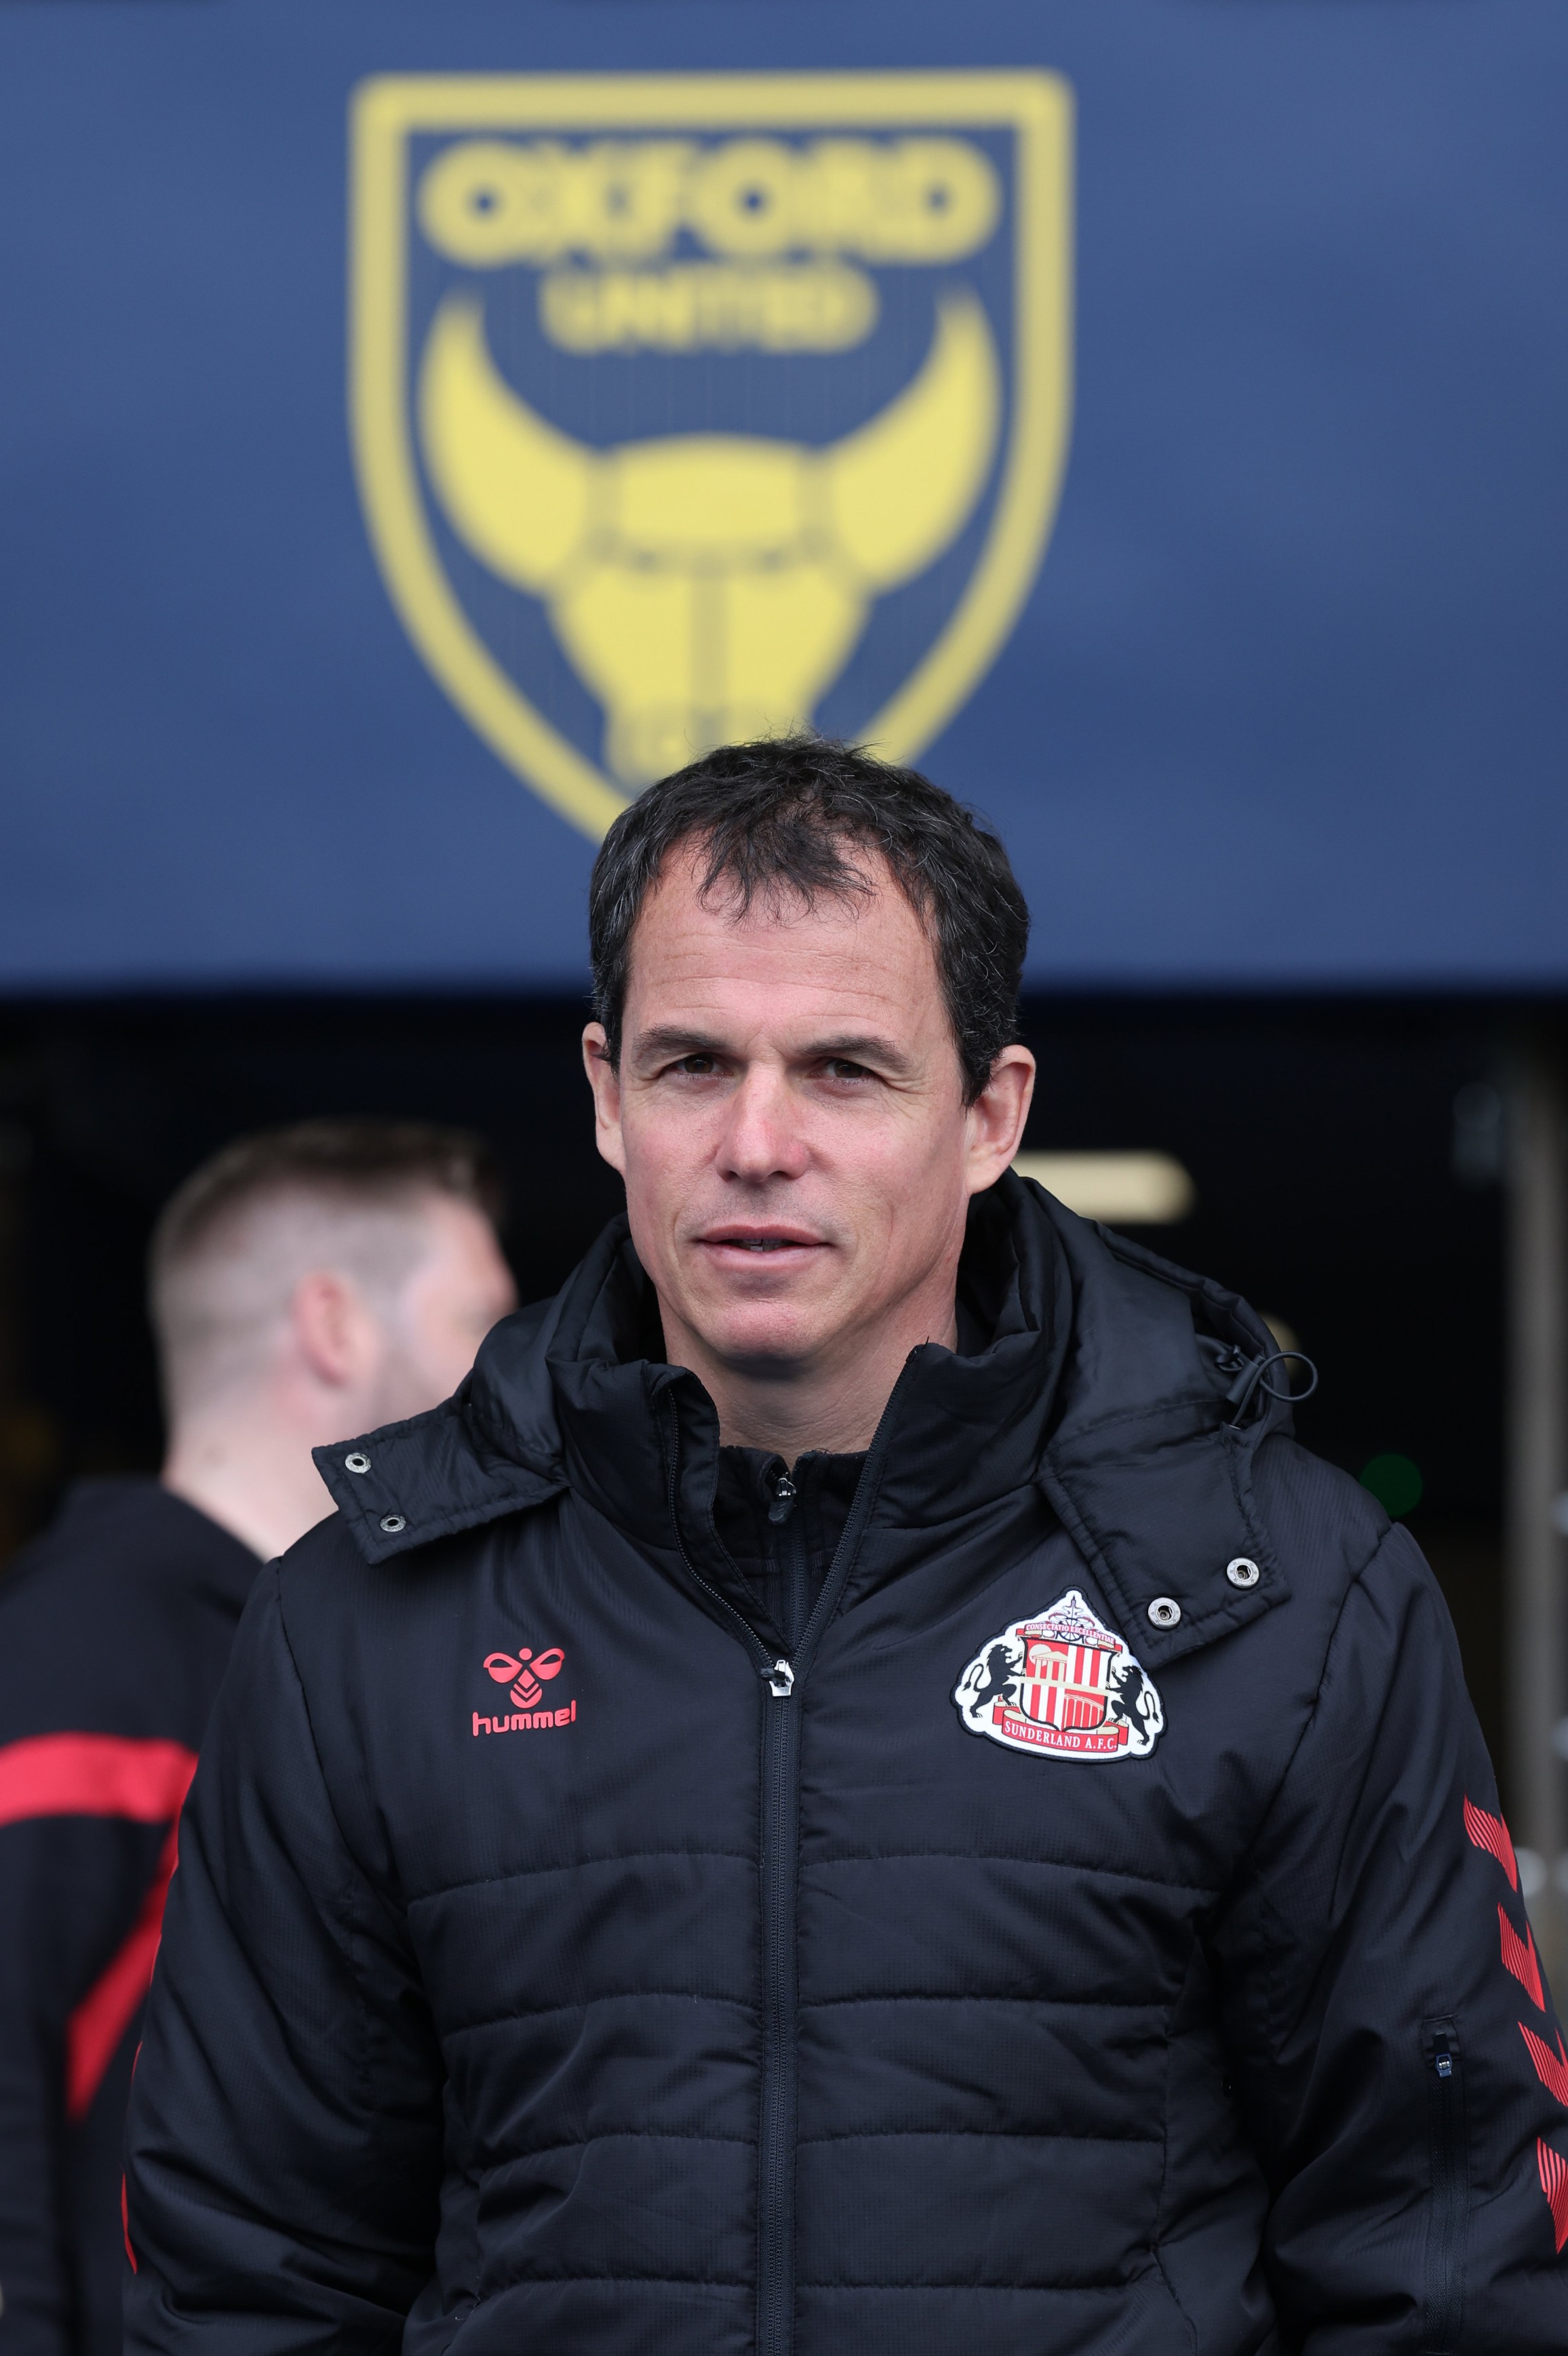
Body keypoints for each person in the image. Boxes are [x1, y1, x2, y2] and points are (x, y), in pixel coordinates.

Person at [123, 741, 1568, 2356]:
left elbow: (1441, 2257)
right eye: (692, 1065)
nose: (757, 1139)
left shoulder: (1282, 1590)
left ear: (988, 1113)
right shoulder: (366, 1618)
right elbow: (249, 2282)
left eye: (843, 1070)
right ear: (606, 1097)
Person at [0, 1120, 517, 2356]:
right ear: (333, 1324)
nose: (510, 1378)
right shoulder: (64, 1670)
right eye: (480, 1322)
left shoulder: (362, 1661)